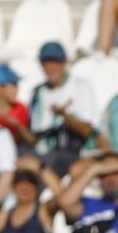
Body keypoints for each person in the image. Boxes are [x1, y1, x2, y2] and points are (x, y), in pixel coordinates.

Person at [27, 42, 96, 178]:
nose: (51, 67)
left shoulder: (81, 86)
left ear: (65, 62)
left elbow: (87, 130)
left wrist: (64, 116)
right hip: (41, 153)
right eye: (46, 62)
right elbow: (34, 134)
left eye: (56, 62)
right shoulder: (36, 92)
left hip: (71, 152)